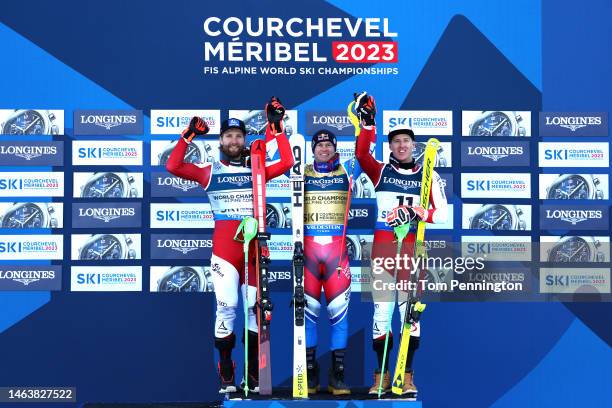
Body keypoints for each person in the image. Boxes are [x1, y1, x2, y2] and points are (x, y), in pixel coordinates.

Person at [165, 97, 294, 394]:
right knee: (227, 309)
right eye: (229, 136)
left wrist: (277, 127)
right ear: (221, 140)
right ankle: (226, 371)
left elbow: (287, 162)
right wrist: (188, 136)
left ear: (244, 139)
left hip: (255, 252)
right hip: (225, 252)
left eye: (239, 136)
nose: (234, 141)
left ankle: (252, 374)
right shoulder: (209, 170)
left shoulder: (257, 168)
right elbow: (173, 165)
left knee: (254, 310)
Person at [350, 92, 448, 396]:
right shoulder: (381, 171)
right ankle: (380, 376)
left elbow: (442, 214)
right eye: (396, 142)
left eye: (406, 141)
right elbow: (362, 155)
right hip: (383, 249)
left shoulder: (429, 175)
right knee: (381, 315)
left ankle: (406, 376)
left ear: (414, 146)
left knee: (410, 315)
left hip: (411, 252)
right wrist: (368, 124)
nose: (401, 146)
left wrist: (418, 211)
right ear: (390, 146)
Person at [303, 129, 352, 395]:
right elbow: (281, 164)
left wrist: (366, 124)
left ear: (335, 148)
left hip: (337, 253)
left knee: (339, 314)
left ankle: (338, 374)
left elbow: (365, 150)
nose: (323, 148)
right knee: (308, 312)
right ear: (312, 149)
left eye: (328, 144)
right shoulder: (301, 173)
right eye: (319, 145)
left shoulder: (348, 171)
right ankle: (311, 372)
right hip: (308, 252)